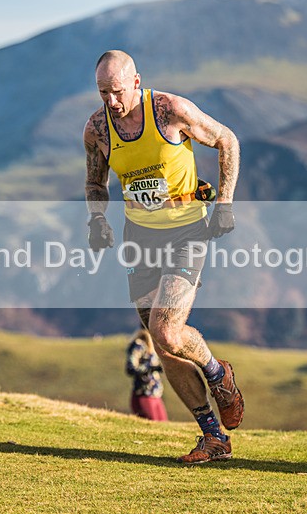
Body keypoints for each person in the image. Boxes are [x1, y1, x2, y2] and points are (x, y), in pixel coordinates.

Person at [83, 50, 244, 463]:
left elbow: (227, 139)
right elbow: (94, 181)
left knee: (168, 329)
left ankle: (217, 373)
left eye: (117, 92)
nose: (112, 102)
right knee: (160, 342)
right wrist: (96, 220)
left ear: (137, 82)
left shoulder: (171, 110)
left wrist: (224, 203)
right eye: (104, 93)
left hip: (187, 232)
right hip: (139, 239)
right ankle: (213, 437)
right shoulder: (98, 128)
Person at [125, 327, 168, 421]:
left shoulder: (151, 346)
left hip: (155, 393)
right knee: (154, 424)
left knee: (163, 423)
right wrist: (151, 368)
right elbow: (131, 368)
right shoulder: (139, 345)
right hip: (145, 393)